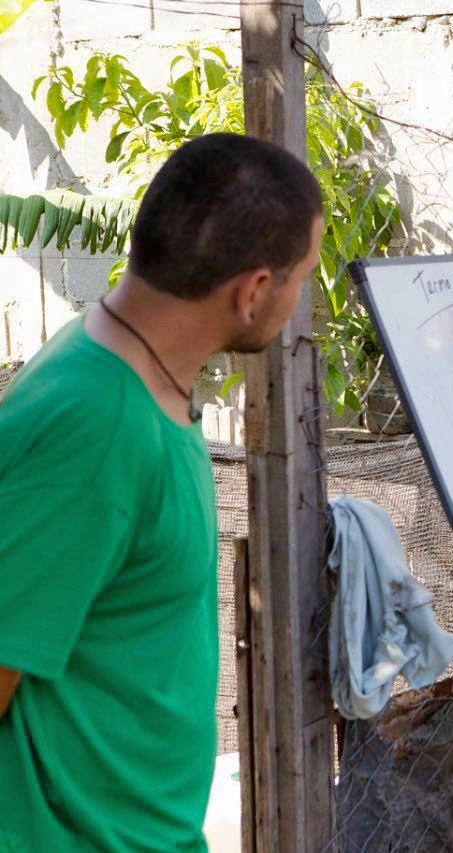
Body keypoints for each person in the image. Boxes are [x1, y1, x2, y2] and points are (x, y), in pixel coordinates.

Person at [0, 133, 323, 852]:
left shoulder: (117, 360)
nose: (301, 299)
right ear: (254, 292)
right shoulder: (99, 429)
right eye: (301, 278)